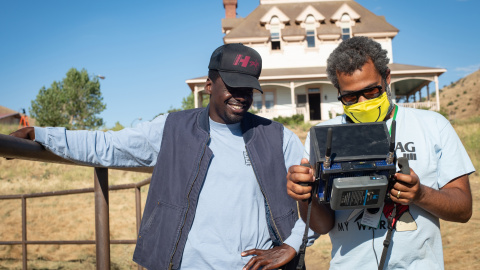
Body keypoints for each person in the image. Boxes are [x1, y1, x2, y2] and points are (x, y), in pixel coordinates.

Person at [11, 43, 315, 270]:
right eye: (234, 86)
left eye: (249, 88)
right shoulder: (172, 128)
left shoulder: (277, 137)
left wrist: (291, 244)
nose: (242, 96)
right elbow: (109, 146)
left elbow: (314, 199)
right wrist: (43, 135)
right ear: (210, 85)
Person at [286, 36, 474, 269]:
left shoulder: (433, 125)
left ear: (387, 78)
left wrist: (420, 195)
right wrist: (305, 197)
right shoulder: (324, 136)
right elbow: (322, 226)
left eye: (372, 91)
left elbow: (463, 209)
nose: (363, 101)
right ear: (338, 91)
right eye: (351, 97)